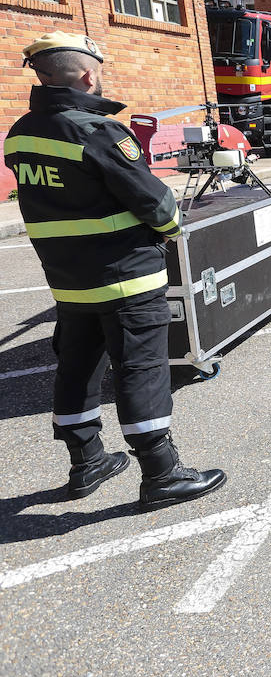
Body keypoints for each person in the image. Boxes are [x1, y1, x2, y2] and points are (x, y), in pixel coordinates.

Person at [5, 32, 224, 507]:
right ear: (88, 75)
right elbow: (157, 204)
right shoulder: (99, 132)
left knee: (77, 368)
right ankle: (161, 473)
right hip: (126, 275)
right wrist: (172, 227)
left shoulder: (20, 133)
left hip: (69, 281)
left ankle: (86, 462)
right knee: (140, 369)